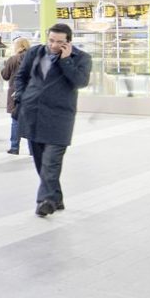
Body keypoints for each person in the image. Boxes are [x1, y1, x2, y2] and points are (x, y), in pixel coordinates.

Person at [11, 22, 91, 217]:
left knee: (51, 161)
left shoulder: (81, 58)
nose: (54, 45)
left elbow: (80, 82)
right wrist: (21, 95)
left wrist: (65, 60)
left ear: (68, 42)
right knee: (39, 160)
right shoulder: (35, 52)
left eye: (59, 42)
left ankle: (44, 201)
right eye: (51, 40)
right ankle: (56, 197)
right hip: (32, 112)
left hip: (60, 116)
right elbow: (21, 76)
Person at [0, 35, 30, 154]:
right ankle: (32, 149)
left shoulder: (13, 59)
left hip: (15, 93)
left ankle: (14, 147)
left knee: (15, 120)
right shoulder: (32, 58)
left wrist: (4, 67)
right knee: (30, 121)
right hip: (30, 92)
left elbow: (5, 76)